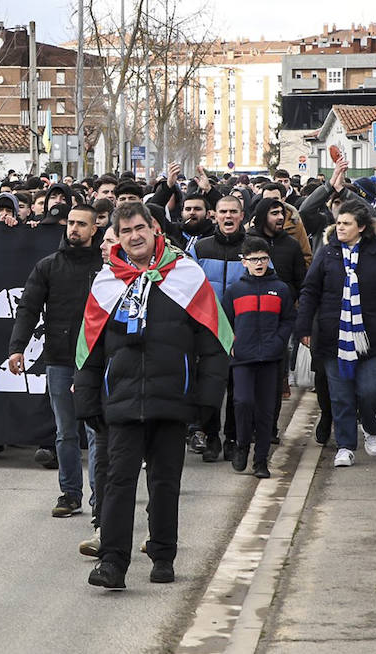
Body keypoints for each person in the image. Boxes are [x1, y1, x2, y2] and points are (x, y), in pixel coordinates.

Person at [77, 202, 229, 591]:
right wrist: (89, 401)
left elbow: (214, 343)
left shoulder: (186, 276)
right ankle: (112, 562)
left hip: (172, 397)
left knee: (165, 483)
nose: (134, 236)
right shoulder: (107, 281)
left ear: (155, 229)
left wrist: (207, 400)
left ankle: (163, 554)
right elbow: (90, 348)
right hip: (123, 400)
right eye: (125, 231)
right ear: (118, 236)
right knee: (118, 483)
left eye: (140, 228)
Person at [294, 199, 376, 468]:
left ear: (361, 227)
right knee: (341, 396)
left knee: (370, 389)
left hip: (370, 337)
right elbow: (310, 290)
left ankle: (370, 425)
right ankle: (346, 446)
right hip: (333, 337)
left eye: (346, 223)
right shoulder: (327, 253)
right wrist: (303, 328)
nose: (340, 228)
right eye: (338, 223)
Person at [6, 203, 103, 517]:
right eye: (71, 223)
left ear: (94, 229)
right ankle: (70, 494)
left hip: (96, 359)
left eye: (81, 224)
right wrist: (17, 347)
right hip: (59, 358)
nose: (74, 228)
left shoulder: (107, 267)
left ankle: (100, 500)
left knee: (96, 431)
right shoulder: (48, 266)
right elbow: (28, 308)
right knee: (65, 431)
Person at [223, 237, 295, 478]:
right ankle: (242, 444)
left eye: (263, 258)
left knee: (265, 411)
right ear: (244, 262)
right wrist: (231, 343)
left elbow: (288, 320)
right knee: (243, 402)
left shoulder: (281, 288)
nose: (259, 263)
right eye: (254, 259)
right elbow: (224, 321)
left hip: (270, 358)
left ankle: (261, 460)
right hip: (243, 357)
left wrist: (278, 342)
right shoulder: (234, 290)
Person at [186, 194, 247, 463]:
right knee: (209, 386)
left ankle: (233, 439)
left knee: (237, 389)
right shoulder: (200, 248)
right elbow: (186, 288)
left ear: (242, 215)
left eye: (234, 211)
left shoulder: (252, 246)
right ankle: (211, 437)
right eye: (223, 212)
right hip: (208, 329)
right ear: (215, 215)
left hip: (240, 330)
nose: (228, 216)